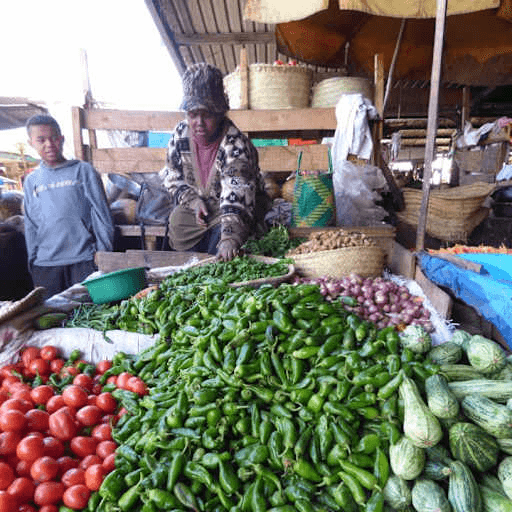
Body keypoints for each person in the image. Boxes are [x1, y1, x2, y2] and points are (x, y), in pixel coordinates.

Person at [160, 63, 271, 261]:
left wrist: (230, 236)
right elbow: (172, 176)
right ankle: (189, 266)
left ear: (219, 113)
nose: (199, 123)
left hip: (236, 207)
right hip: (202, 207)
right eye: (193, 115)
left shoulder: (235, 144)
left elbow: (237, 192)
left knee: (225, 238)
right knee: (177, 221)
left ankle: (217, 259)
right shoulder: (180, 135)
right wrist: (194, 202)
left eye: (207, 115)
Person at [23, 114, 115, 299]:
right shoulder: (32, 180)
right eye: (41, 140)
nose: (49, 144)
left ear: (62, 139)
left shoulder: (83, 171)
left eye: (54, 138)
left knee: (89, 316)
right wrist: (33, 262)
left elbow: (102, 215)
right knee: (51, 319)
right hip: (46, 265)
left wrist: (103, 253)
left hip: (84, 261)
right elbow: (31, 225)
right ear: (31, 143)